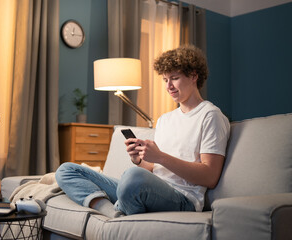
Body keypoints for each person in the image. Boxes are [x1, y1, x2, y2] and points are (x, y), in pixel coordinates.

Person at [55, 45, 230, 217]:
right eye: (165, 80)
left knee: (132, 177)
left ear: (193, 76)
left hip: (183, 199)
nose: (168, 85)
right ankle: (112, 212)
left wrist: (160, 156)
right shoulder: (165, 120)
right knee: (66, 170)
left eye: (174, 78)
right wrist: (138, 160)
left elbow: (210, 176)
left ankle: (120, 206)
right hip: (150, 189)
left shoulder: (210, 115)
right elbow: (155, 170)